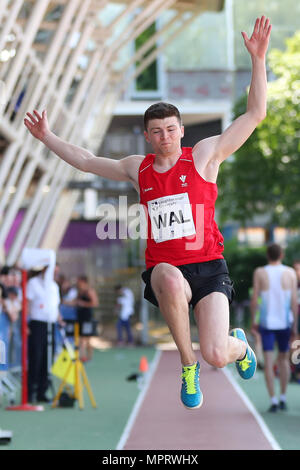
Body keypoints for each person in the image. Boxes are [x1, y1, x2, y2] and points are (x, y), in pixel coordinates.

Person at [24, 16, 271, 409]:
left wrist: (257, 60)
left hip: (209, 265)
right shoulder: (137, 168)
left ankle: (237, 347)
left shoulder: (205, 157)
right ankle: (186, 367)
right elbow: (86, 161)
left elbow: (254, 114)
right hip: (167, 267)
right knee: (168, 280)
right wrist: (47, 137)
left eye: (171, 129)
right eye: (157, 132)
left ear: (181, 130)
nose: (165, 137)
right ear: (147, 136)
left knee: (217, 354)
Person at [250, 244, 298, 412]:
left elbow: (255, 299)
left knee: (269, 361)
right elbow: (294, 302)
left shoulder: (260, 272)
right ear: (282, 254)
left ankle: (273, 400)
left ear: (267, 255)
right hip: (285, 323)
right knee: (284, 360)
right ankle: (283, 397)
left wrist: (253, 321)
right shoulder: (291, 273)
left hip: (267, 323)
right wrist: (295, 326)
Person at [26, 265, 61, 403]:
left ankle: (42, 391)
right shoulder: (33, 283)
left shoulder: (54, 286)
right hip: (37, 324)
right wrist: (26, 323)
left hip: (50, 324)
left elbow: (55, 307)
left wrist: (60, 320)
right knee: (36, 358)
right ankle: (31, 392)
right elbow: (27, 304)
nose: (55, 274)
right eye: (53, 271)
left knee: (48, 358)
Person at [76, 276, 99, 362]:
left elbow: (95, 303)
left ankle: (87, 357)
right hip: (80, 318)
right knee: (82, 339)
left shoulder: (89, 291)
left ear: (83, 281)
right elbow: (75, 302)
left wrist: (84, 304)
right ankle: (84, 356)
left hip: (87, 318)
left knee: (86, 339)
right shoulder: (80, 292)